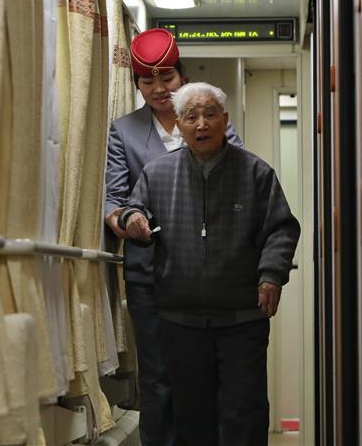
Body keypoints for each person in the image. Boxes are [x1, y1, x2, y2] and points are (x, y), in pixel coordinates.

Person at [119, 82, 300, 446]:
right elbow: (132, 209)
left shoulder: (256, 173)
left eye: (210, 114)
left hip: (242, 321)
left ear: (225, 120)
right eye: (191, 116)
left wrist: (270, 276)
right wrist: (132, 220)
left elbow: (281, 229)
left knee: (243, 416)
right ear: (180, 124)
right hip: (180, 322)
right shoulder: (157, 173)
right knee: (191, 416)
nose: (201, 124)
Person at [104, 29, 243, 446]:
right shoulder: (124, 131)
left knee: (209, 378)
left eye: (167, 78)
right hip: (150, 274)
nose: (159, 89)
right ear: (137, 84)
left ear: (181, 75)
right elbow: (114, 199)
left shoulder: (209, 119)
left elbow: (239, 181)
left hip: (210, 275)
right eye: (148, 82)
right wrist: (127, 223)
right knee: (159, 377)